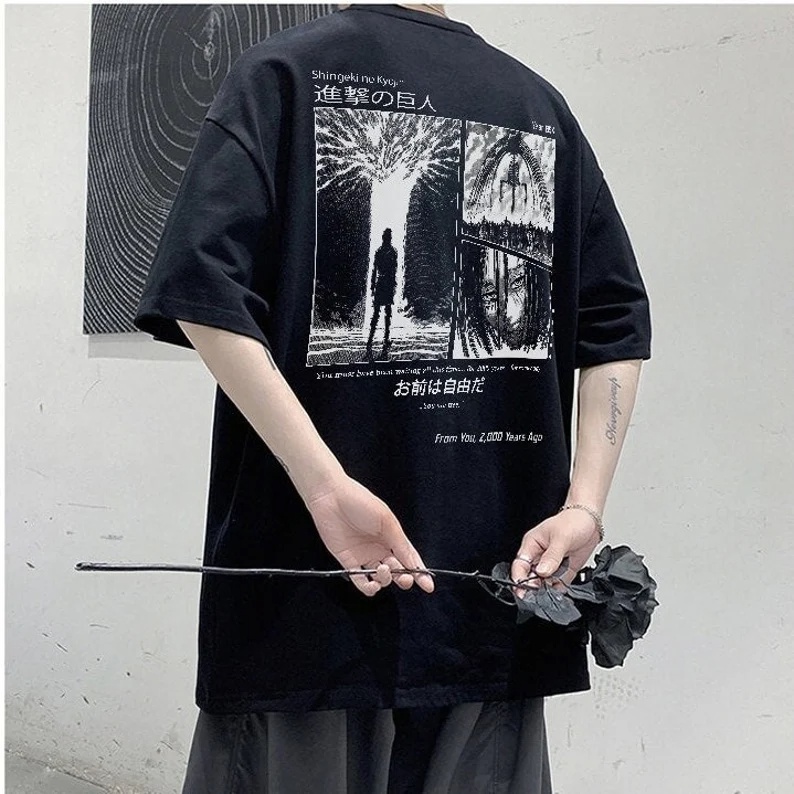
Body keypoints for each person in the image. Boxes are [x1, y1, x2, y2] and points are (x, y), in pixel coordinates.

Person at [132, 3, 652, 792]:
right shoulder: (537, 105)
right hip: (493, 592)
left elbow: (202, 290)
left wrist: (324, 487)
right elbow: (616, 321)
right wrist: (585, 503)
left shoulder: (281, 74)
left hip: (313, 597)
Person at [366, 227, 398, 359]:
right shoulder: (393, 252)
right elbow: (394, 270)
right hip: (388, 283)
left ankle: (370, 339)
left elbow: (374, 269)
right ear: (389, 238)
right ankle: (386, 339)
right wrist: (394, 285)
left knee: (376, 313)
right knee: (387, 313)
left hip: (380, 283)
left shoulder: (379, 251)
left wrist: (372, 285)